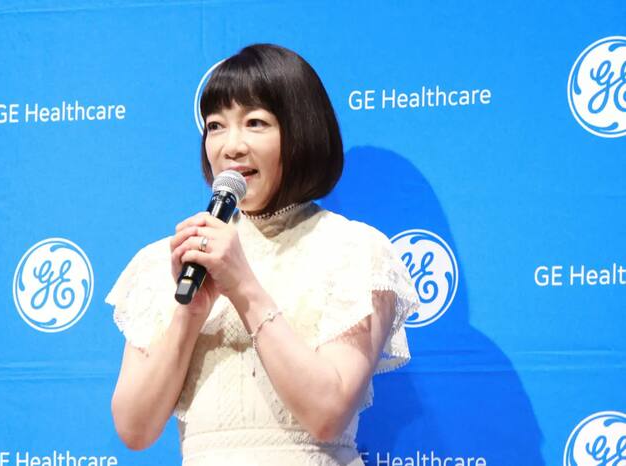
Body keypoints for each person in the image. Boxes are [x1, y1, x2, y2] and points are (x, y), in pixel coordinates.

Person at [106, 44, 420, 466]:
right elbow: (135, 429)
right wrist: (189, 313)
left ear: (301, 130)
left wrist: (244, 287)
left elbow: (328, 414)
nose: (231, 147)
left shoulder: (355, 251)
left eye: (255, 123)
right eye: (215, 126)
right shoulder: (173, 258)